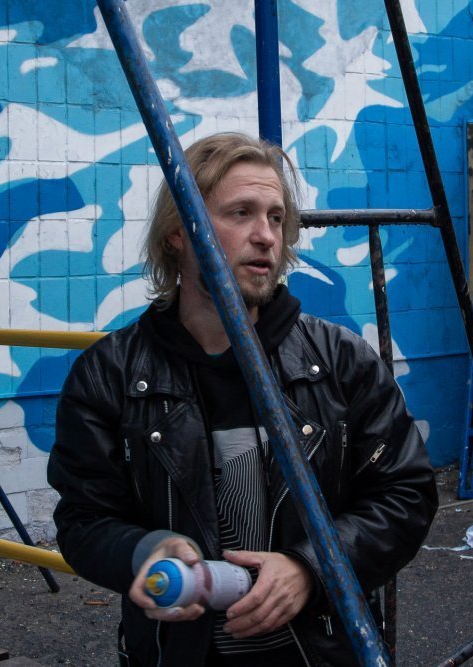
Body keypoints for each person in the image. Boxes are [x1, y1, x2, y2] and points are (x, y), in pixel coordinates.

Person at [47, 133, 438, 666]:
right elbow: (83, 520)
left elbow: (406, 494)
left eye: (276, 218)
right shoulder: (109, 374)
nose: (266, 236)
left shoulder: (341, 361)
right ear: (177, 233)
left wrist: (312, 567)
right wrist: (143, 551)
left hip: (320, 653)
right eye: (241, 213)